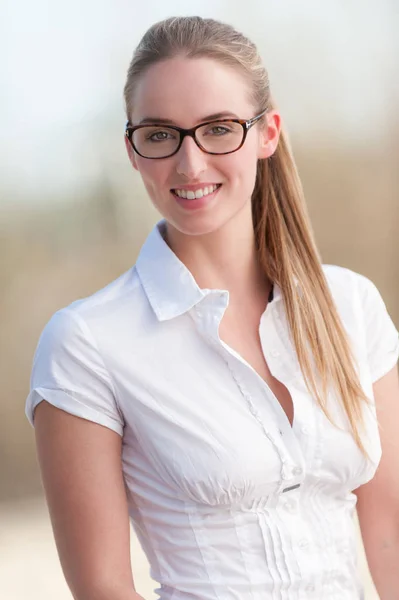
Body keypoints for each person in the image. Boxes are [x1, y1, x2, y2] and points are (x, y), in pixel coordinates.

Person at [25, 16, 399, 600]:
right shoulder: (86, 342)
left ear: (267, 133)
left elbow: (391, 538)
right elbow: (102, 588)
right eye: (160, 134)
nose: (190, 164)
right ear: (132, 149)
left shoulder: (352, 305)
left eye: (218, 128)